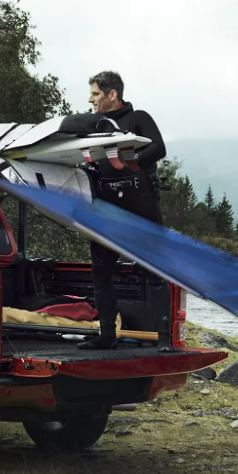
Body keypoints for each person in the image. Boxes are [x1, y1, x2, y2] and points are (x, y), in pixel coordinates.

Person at [79, 70, 168, 350]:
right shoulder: (93, 125)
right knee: (100, 272)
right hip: (106, 206)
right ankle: (107, 335)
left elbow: (159, 148)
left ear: (112, 94)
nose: (90, 99)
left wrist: (132, 161)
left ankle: (165, 339)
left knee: (153, 271)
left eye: (95, 93)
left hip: (139, 204)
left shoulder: (137, 118)